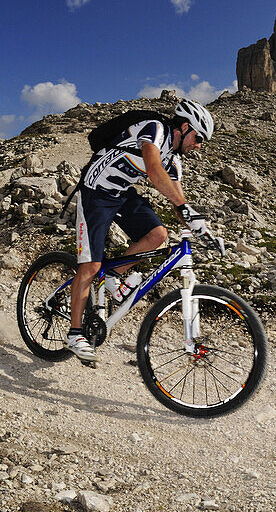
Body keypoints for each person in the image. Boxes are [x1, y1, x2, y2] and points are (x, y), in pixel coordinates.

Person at [66, 99, 215, 362]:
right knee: (90, 265)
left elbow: (178, 201)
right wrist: (183, 206)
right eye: (198, 137)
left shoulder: (175, 160)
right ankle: (75, 333)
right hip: (96, 192)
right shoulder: (154, 129)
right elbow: (155, 170)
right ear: (183, 126)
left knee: (158, 235)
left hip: (122, 193)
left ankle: (112, 275)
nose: (199, 145)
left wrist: (201, 228)